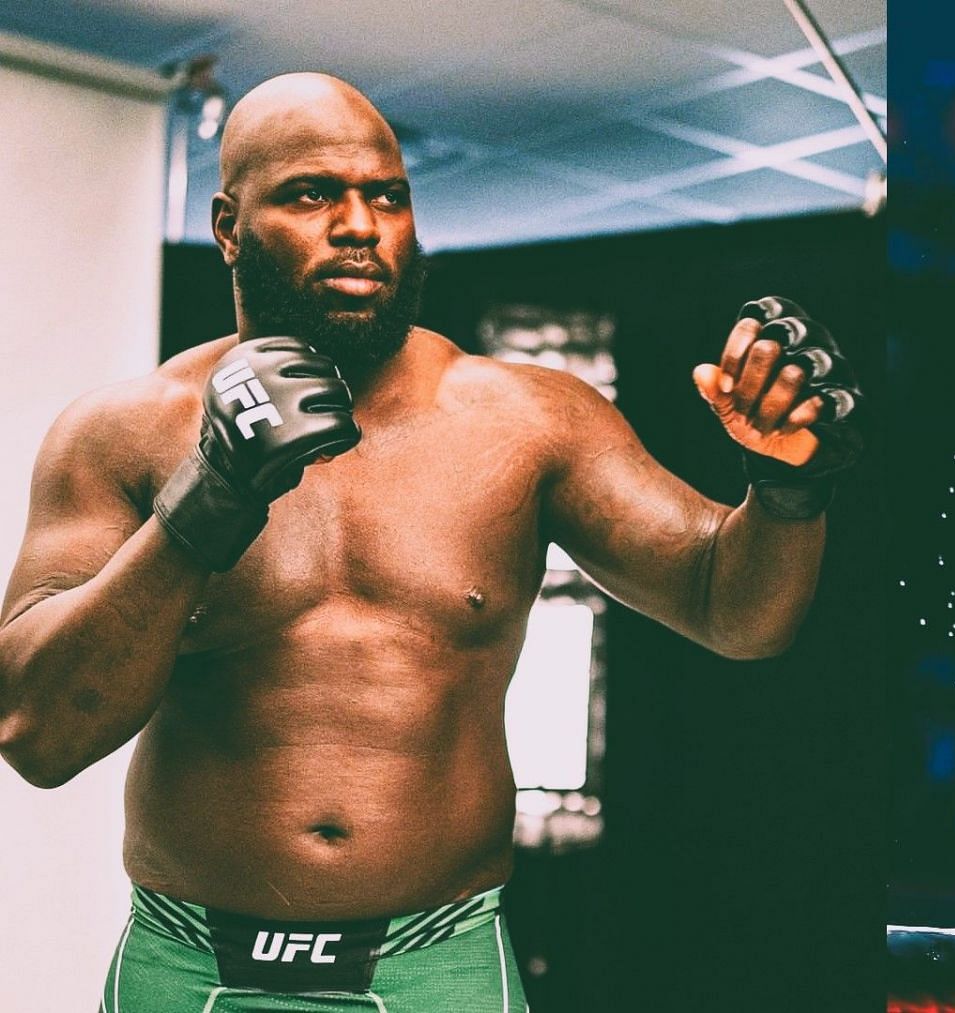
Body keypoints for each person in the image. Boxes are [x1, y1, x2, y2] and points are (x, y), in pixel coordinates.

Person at [0, 72, 862, 1010]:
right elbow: (38, 734)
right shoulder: (121, 433)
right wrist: (206, 500)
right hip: (189, 964)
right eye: (312, 194)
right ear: (227, 225)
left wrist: (785, 493)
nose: (360, 224)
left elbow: (729, 608)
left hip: (437, 966)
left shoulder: (529, 420)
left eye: (388, 196)